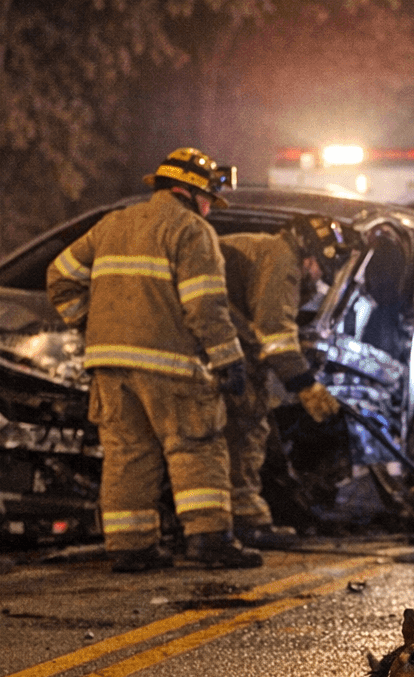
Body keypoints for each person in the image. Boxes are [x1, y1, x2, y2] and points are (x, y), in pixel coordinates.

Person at [47, 147, 261, 572]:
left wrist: (93, 325)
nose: (209, 210)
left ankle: (131, 547)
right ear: (189, 191)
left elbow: (60, 276)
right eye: (208, 200)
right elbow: (206, 307)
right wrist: (229, 361)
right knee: (195, 446)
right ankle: (209, 540)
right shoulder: (191, 231)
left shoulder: (112, 224)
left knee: (128, 453)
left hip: (109, 368)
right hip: (170, 367)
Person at [218, 215, 347, 548]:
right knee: (246, 430)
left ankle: (232, 520)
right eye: (320, 268)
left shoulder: (270, 251)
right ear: (309, 256)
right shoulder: (281, 259)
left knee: (243, 430)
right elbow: (275, 335)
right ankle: (246, 522)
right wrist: (305, 385)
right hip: (224, 354)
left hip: (225, 349)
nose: (319, 278)